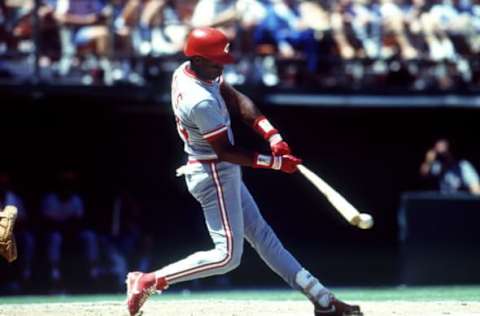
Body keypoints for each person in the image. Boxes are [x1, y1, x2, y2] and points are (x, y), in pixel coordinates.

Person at [125, 27, 363, 316]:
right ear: (198, 59)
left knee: (264, 237)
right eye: (216, 61)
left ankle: (322, 300)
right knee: (227, 257)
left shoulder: (196, 70)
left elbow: (236, 99)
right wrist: (276, 163)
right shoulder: (199, 99)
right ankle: (149, 281)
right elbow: (226, 151)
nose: (222, 66)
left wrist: (272, 135)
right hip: (212, 172)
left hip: (220, 168)